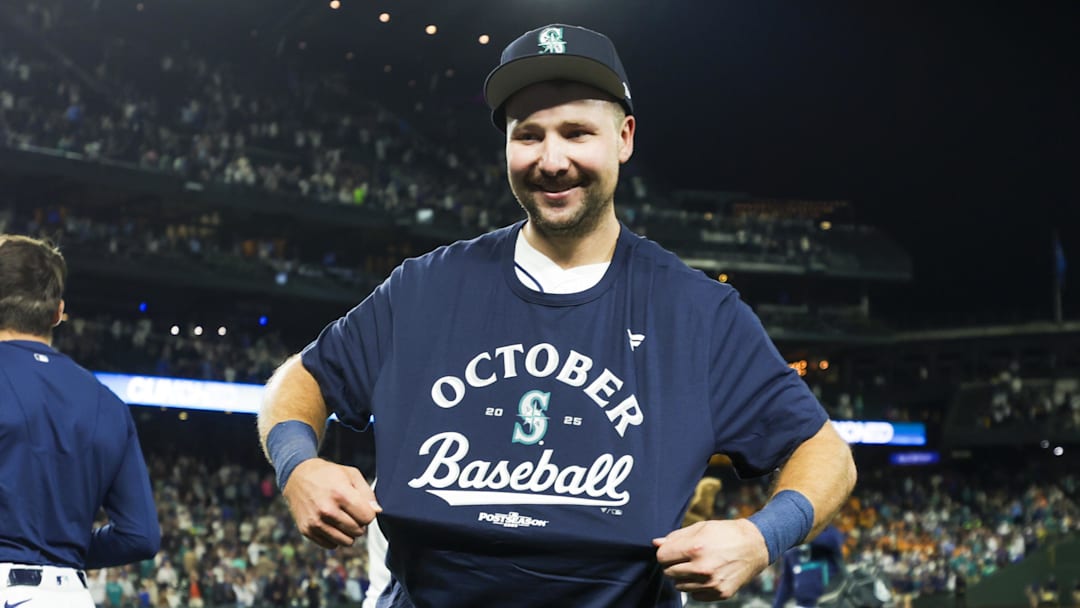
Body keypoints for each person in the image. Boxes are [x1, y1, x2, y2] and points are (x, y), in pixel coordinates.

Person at [258, 23, 856, 607]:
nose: (551, 159)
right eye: (529, 134)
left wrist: (760, 536)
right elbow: (301, 378)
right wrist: (298, 465)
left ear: (623, 137)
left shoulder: (697, 312)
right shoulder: (427, 285)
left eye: (576, 132)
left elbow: (825, 451)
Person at [0, 234, 160, 607]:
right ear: (58, 312)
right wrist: (60, 548)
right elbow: (140, 536)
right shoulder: (108, 402)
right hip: (69, 593)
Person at [772, 525, 844, 608]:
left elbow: (834, 541)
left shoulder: (828, 532)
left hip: (830, 602)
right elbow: (787, 582)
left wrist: (804, 534)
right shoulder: (791, 549)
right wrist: (776, 605)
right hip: (803, 604)